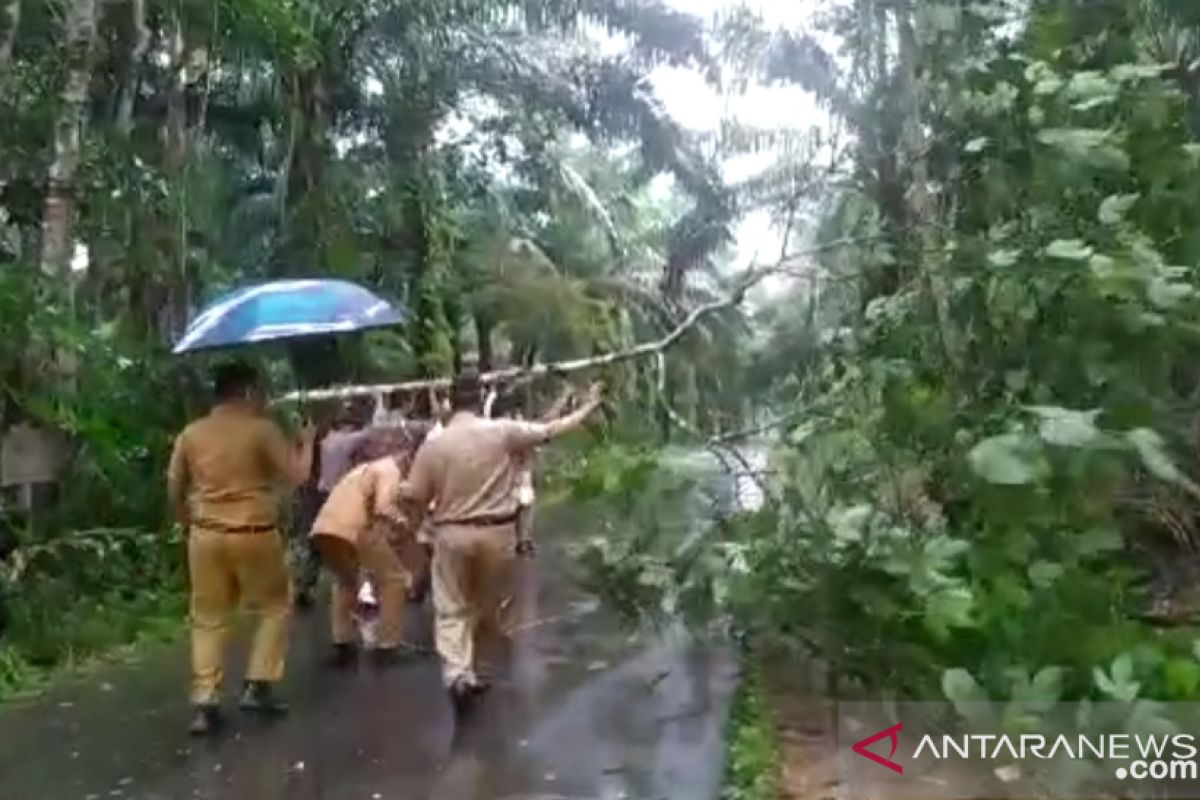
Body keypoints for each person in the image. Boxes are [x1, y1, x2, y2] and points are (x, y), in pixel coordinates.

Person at [401, 366, 604, 706]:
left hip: (452, 533)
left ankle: (458, 675)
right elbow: (549, 430)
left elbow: (415, 496)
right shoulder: (503, 432)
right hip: (498, 533)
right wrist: (585, 408)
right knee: (486, 607)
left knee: (452, 608)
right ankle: (472, 672)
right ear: (481, 398)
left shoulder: (434, 446)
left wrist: (408, 520)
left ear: (451, 401)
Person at [167, 361, 314, 736]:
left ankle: (205, 700)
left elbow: (174, 483)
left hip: (205, 534)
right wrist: (306, 442)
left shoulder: (191, 433)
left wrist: (186, 520)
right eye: (260, 390)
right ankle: (258, 683)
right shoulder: (261, 431)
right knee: (274, 606)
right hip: (253, 531)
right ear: (247, 392)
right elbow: (296, 476)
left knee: (208, 616)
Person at [311, 425, 430, 667]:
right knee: (394, 578)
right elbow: (383, 507)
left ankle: (342, 642)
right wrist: (404, 523)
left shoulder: (367, 469)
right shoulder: (390, 469)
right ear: (409, 456)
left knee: (346, 581)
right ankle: (388, 645)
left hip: (324, 527)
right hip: (353, 528)